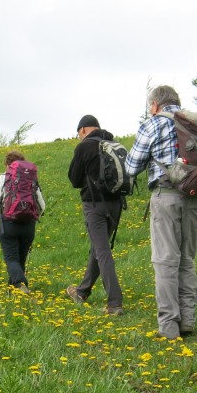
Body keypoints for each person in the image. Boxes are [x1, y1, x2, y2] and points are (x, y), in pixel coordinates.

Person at [124, 85, 197, 340]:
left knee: (166, 261)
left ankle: (168, 326)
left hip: (166, 195)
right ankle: (187, 320)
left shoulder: (154, 123)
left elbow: (132, 166)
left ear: (155, 105)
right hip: (196, 197)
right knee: (186, 259)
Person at [65, 114, 124, 316]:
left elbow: (74, 179)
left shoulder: (84, 147)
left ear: (82, 130)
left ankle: (115, 302)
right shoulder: (112, 142)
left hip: (94, 204)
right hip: (116, 204)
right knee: (98, 249)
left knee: (102, 251)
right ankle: (82, 291)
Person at [0, 150, 46, 293]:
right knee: (20, 259)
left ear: (7, 164)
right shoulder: (31, 179)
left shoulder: (3, 178)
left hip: (9, 224)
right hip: (29, 225)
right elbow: (42, 206)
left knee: (11, 258)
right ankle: (13, 291)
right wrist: (34, 215)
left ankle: (19, 283)